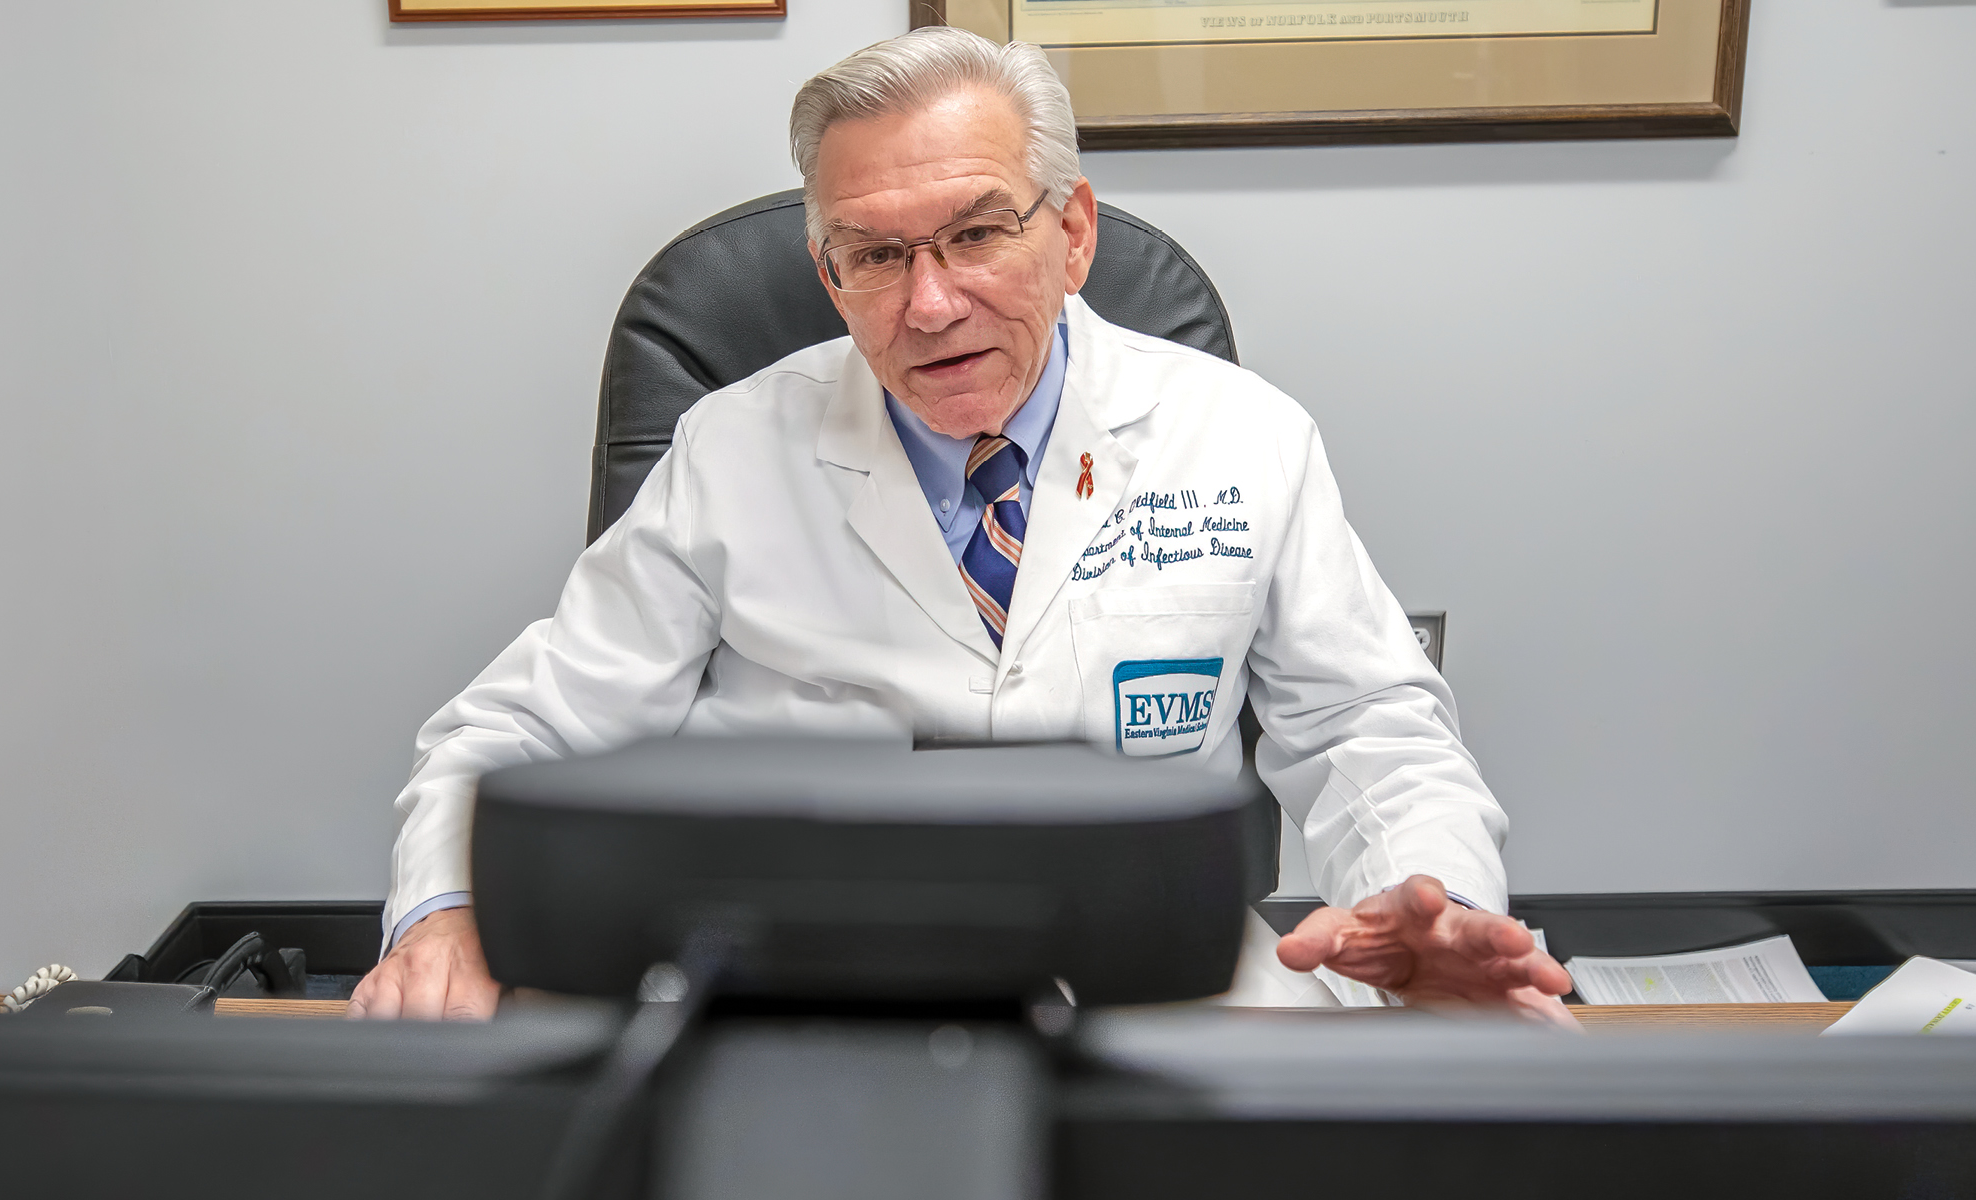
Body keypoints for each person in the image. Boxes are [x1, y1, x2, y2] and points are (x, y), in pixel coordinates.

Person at [348, 26, 1572, 1023]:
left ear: (1074, 230)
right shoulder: (731, 449)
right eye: (874, 256)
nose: (930, 304)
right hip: (805, 1000)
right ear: (827, 277)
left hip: (1161, 998)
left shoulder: (1238, 434)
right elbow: (514, 728)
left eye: (978, 233)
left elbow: (1371, 726)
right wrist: (447, 913)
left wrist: (1431, 904)